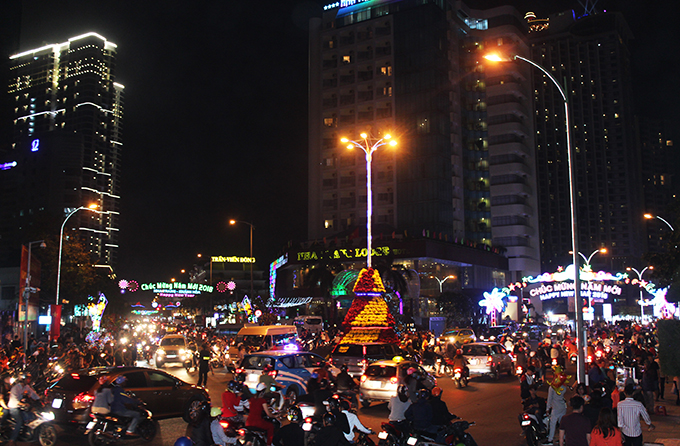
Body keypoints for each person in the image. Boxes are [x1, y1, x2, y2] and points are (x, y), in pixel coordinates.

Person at [7, 374, 40, 445]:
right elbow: (15, 400)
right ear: (23, 379)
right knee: (20, 421)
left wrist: (40, 399)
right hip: (13, 407)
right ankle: (12, 440)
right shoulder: (15, 388)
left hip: (21, 407)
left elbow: (33, 394)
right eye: (28, 378)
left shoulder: (26, 387)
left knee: (31, 416)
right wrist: (24, 404)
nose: (29, 380)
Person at [547, 379, 568, 445]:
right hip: (563, 406)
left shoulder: (552, 387)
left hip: (556, 407)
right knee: (562, 423)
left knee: (553, 424)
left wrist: (547, 408)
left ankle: (550, 439)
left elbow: (549, 398)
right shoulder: (563, 387)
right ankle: (563, 438)